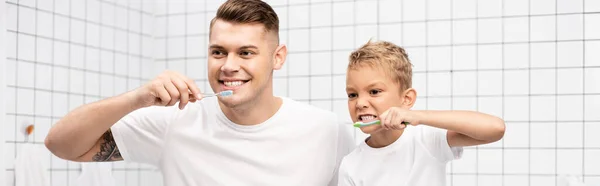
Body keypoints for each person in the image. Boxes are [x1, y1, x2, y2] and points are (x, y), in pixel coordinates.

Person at [44, 0, 355, 185]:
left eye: (246, 53)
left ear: (278, 57)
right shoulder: (174, 121)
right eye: (218, 52)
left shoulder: (326, 130)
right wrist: (136, 98)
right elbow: (60, 144)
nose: (228, 66)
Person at [337, 40, 506, 186]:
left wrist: (418, 116)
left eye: (374, 91)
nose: (359, 103)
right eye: (352, 95)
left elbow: (495, 129)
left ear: (407, 99)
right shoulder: (351, 165)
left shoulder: (427, 139)